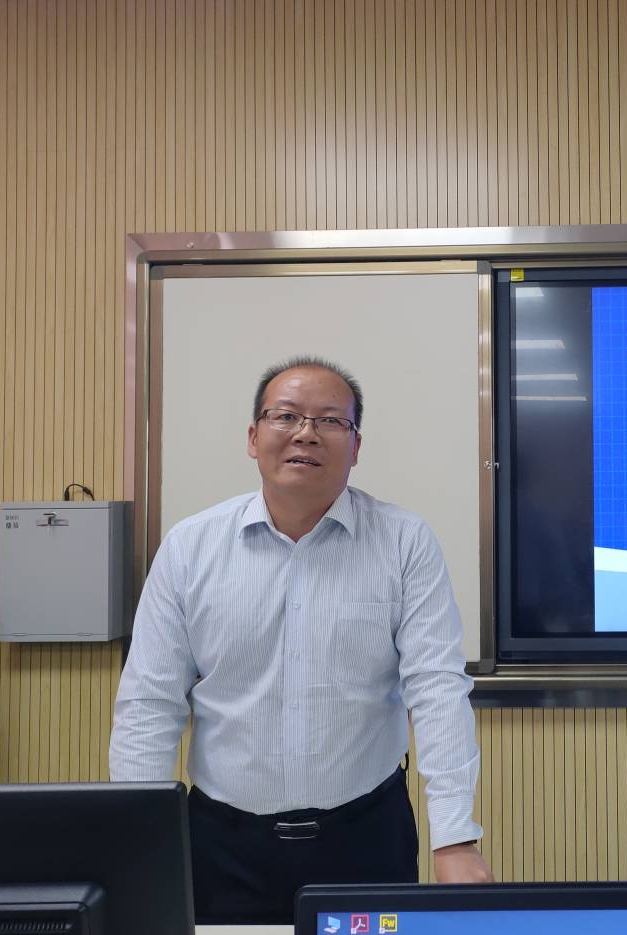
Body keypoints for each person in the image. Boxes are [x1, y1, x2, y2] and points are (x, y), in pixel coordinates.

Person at [110, 356, 492, 923]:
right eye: (286, 416)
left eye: (331, 420)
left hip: (366, 836)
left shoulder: (404, 543)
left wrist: (454, 838)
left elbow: (437, 690)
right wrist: (137, 846)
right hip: (222, 842)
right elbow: (150, 705)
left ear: (356, 446)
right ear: (253, 437)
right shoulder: (190, 547)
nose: (306, 433)